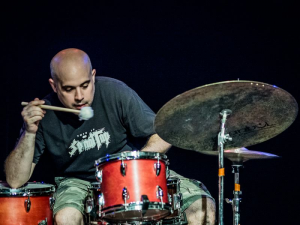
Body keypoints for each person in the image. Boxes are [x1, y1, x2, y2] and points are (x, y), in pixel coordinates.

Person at [5, 48, 215, 225]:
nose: (79, 97)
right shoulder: (45, 114)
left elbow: (163, 134)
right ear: (54, 86)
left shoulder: (115, 92)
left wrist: (135, 167)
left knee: (202, 210)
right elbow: (15, 180)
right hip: (79, 181)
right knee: (66, 217)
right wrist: (29, 131)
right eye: (69, 89)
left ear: (93, 76)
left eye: (85, 85)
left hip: (131, 172)